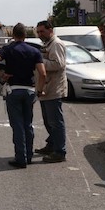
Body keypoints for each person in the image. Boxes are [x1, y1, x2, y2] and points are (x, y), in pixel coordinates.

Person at [0, 23, 46, 169]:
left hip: (14, 90)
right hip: (30, 91)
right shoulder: (34, 51)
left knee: (17, 125)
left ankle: (21, 158)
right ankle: (29, 156)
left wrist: (1, 75)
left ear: (13, 35)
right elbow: (43, 73)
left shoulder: (8, 49)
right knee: (28, 124)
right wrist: (39, 90)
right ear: (25, 35)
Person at [35, 20, 67, 163]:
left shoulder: (56, 44)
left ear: (50, 30)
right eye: (38, 31)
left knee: (55, 122)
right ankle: (52, 145)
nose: (39, 34)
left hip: (54, 89)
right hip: (46, 88)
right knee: (48, 121)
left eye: (42, 31)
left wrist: (39, 61)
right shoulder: (48, 44)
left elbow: (58, 64)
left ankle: (60, 151)